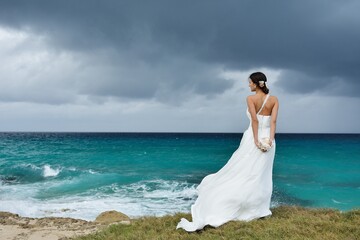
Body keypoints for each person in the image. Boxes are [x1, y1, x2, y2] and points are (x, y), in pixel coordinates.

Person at [176, 72, 279, 232]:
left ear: (257, 83)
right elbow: (273, 121)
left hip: (253, 138)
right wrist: (270, 140)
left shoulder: (250, 99)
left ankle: (243, 205)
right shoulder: (274, 100)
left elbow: (254, 120)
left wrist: (257, 140)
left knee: (243, 171)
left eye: (250, 82)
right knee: (260, 174)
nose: (248, 85)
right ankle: (258, 208)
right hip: (269, 140)